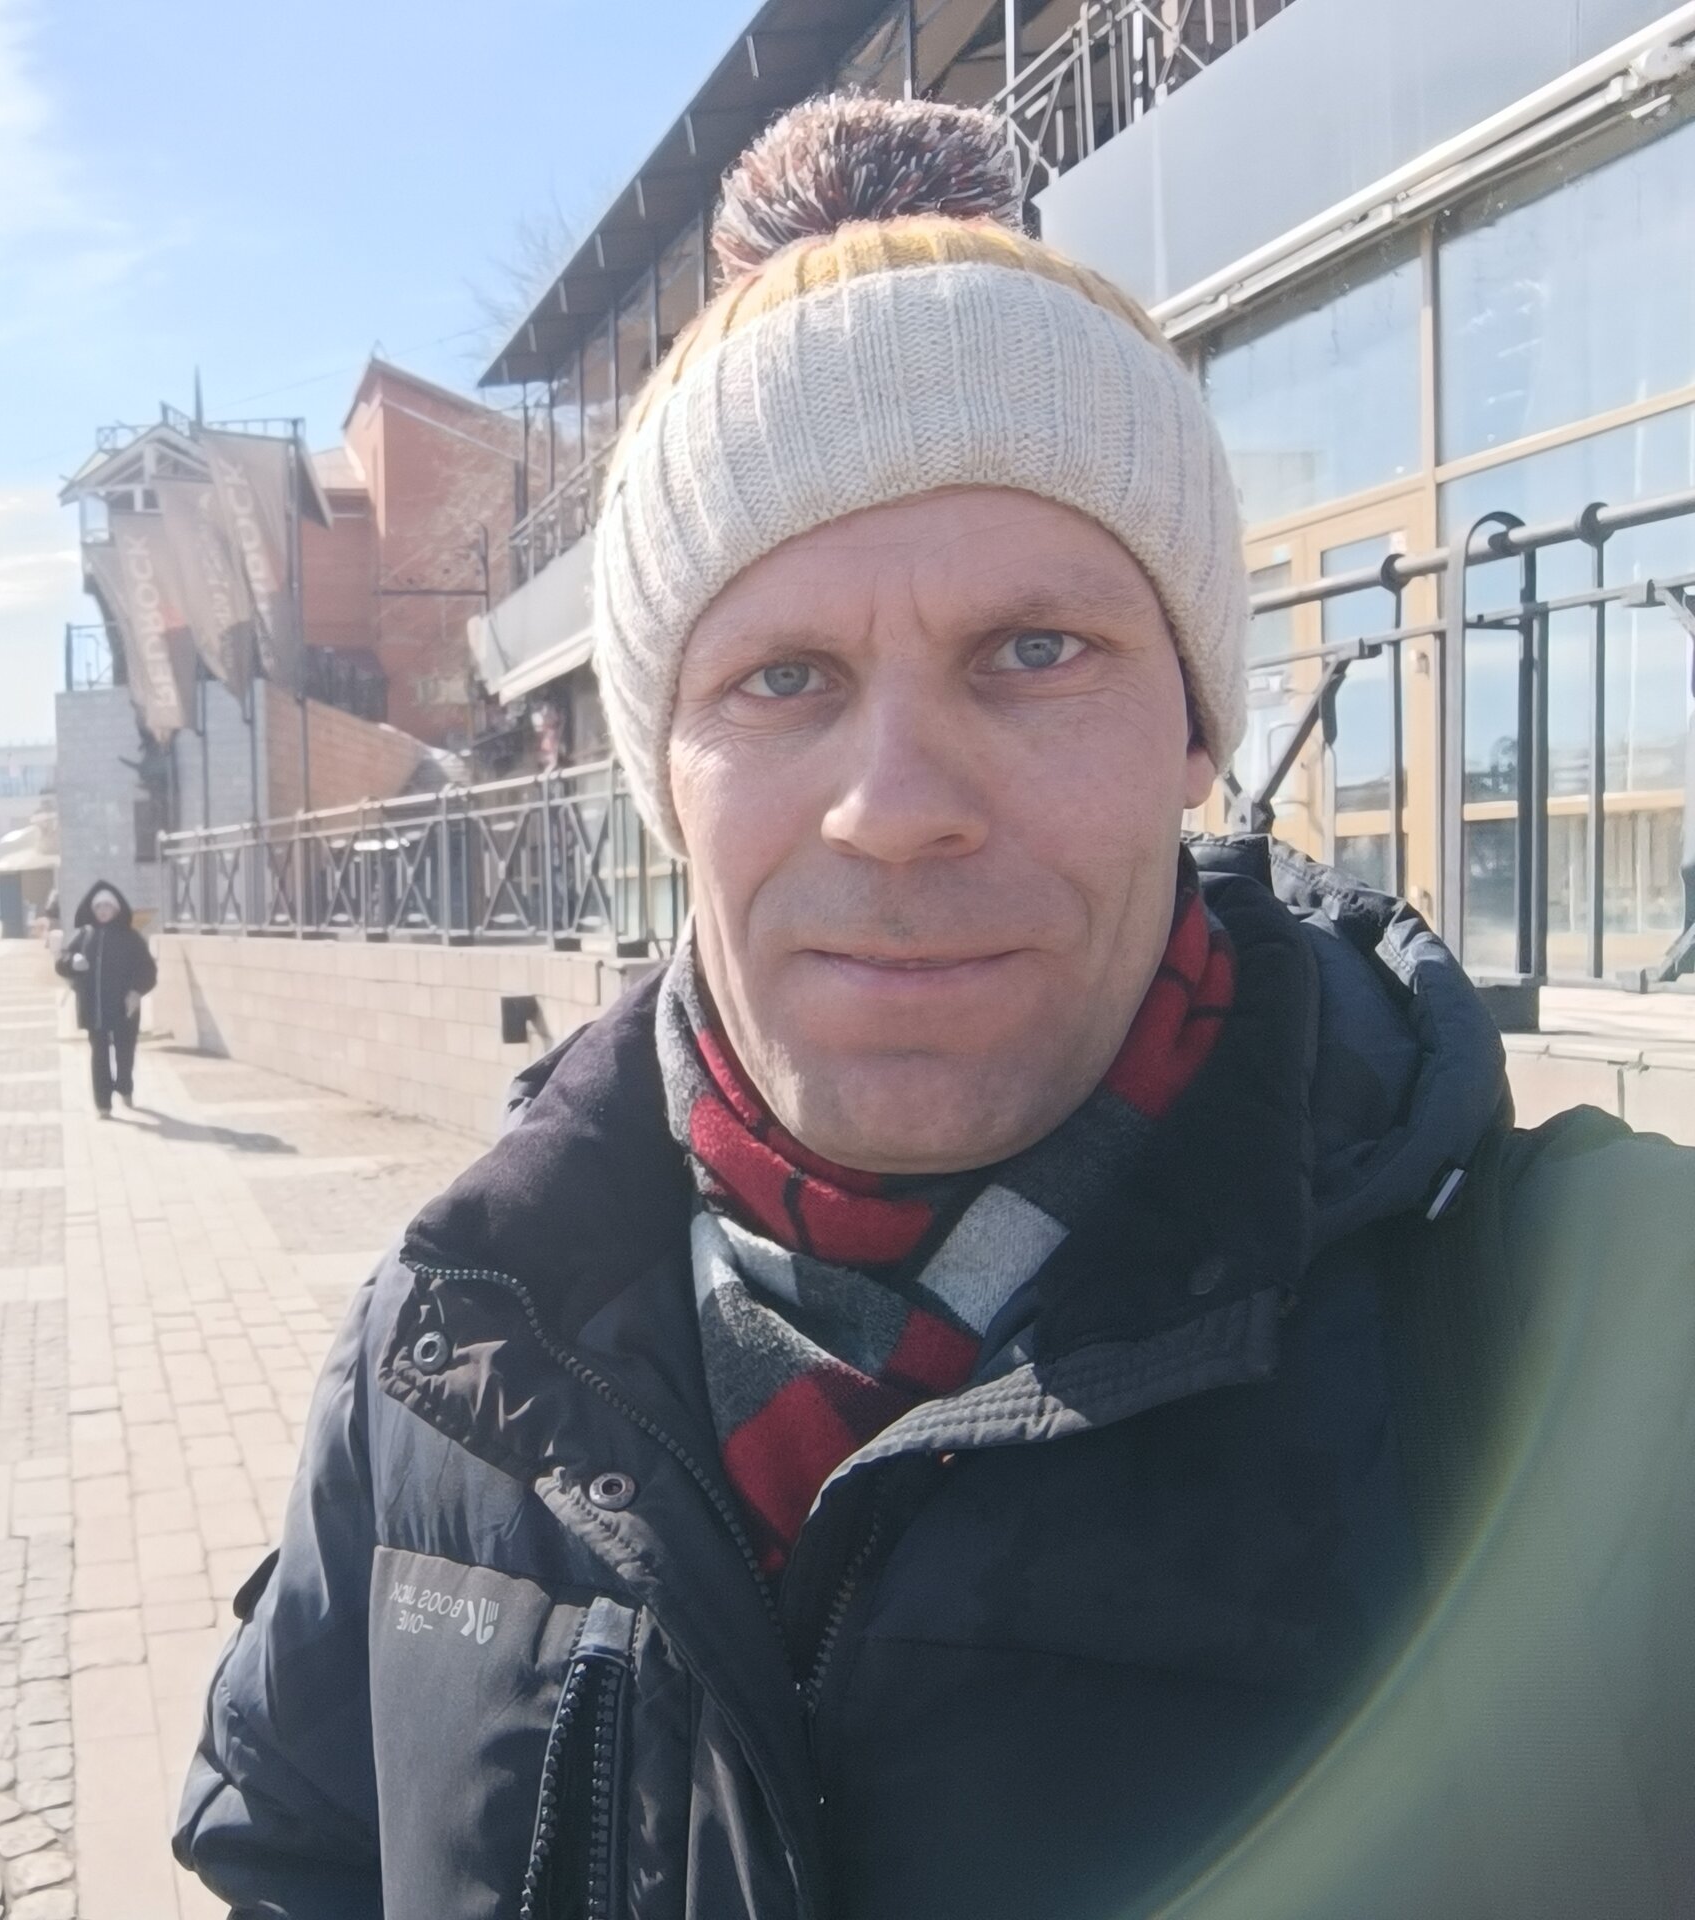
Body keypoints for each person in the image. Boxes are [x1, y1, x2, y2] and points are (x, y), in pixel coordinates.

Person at [174, 97, 1695, 1919]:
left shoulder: (1605, 1362)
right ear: (666, 780)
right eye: (783, 677)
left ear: (1195, 730)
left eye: (1034, 652)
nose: (894, 807)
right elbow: (299, 1851)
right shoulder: (450, 1353)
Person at [56, 880, 153, 1116]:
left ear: (116, 909)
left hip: (123, 1007)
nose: (102, 911)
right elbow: (62, 961)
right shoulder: (84, 935)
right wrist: (71, 962)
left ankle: (125, 1086)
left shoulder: (130, 937)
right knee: (99, 1055)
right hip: (95, 1006)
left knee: (124, 1052)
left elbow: (147, 970)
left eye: (107, 906)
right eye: (98, 906)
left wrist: (136, 991)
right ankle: (103, 1104)